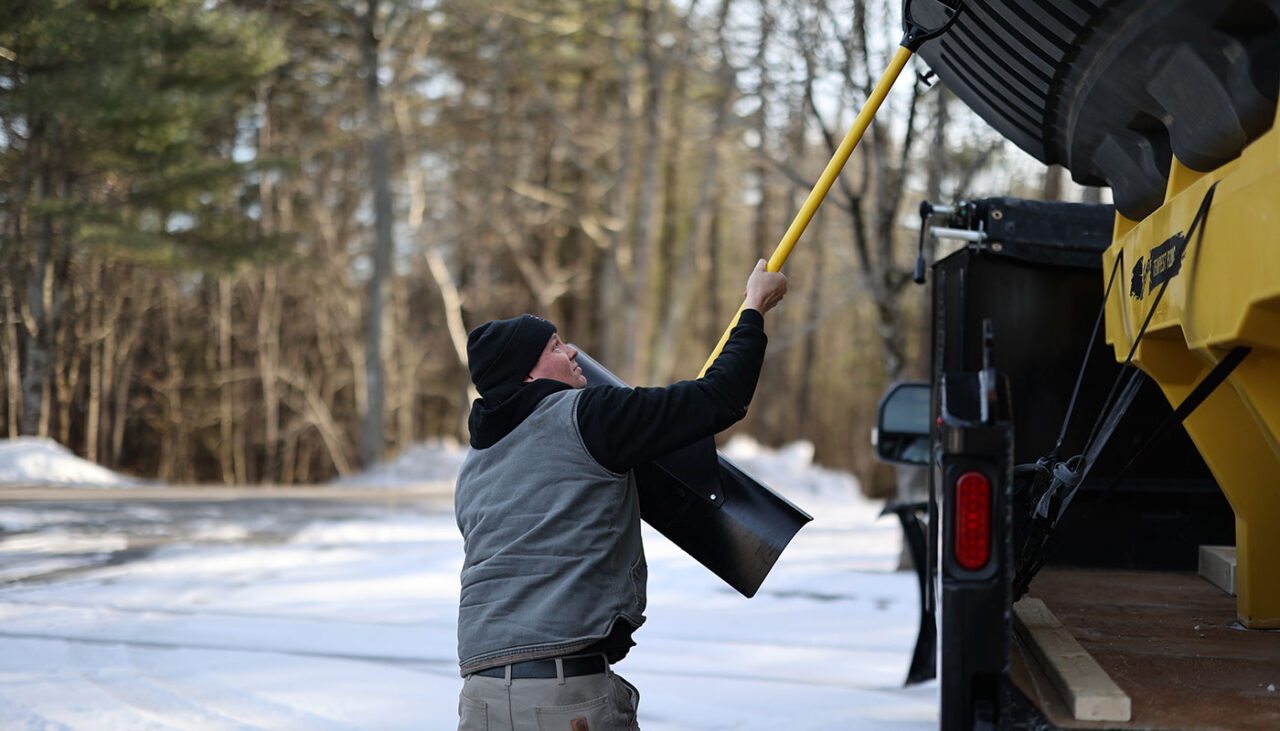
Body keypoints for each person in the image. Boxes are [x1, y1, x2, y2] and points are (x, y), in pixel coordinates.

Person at [455, 259, 787, 731]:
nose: (572, 351)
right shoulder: (585, 416)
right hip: (563, 696)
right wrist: (754, 307)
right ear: (528, 376)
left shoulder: (476, 463)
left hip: (480, 699)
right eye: (553, 346)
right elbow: (719, 397)